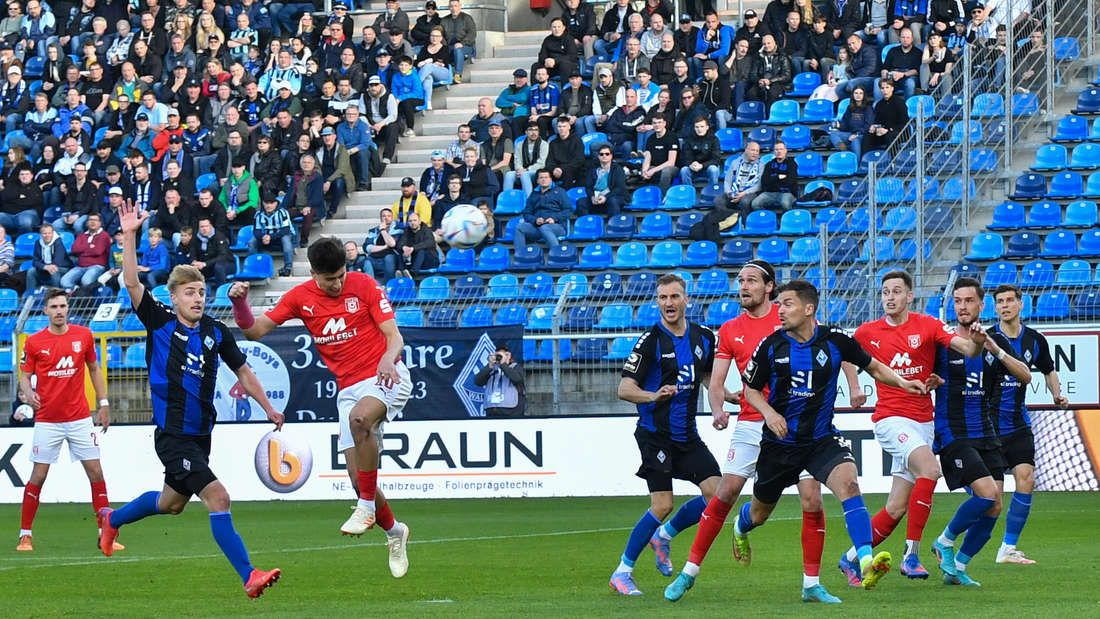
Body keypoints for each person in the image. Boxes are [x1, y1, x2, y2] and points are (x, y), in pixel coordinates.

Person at [97, 202, 283, 599]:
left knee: (171, 504)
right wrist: (129, 236)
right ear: (174, 297)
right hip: (173, 436)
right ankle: (249, 575)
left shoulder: (216, 331)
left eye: (201, 291)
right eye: (189, 293)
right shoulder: (160, 321)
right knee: (219, 497)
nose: (197, 298)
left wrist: (268, 407)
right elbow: (132, 284)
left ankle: (112, 519)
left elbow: (244, 372)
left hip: (200, 436)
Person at [665, 263, 861, 604]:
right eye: (740, 281)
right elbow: (717, 380)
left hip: (796, 428)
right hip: (753, 421)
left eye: (751, 281)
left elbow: (839, 348)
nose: (743, 286)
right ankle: (688, 572)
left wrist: (855, 385)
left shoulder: (790, 316)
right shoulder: (729, 329)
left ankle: (811, 584)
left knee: (812, 498)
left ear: (769, 287)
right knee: (724, 492)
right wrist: (717, 409)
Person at [228, 237, 412, 578]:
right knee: (359, 479)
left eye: (341, 275)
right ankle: (394, 531)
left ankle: (366, 508)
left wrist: (388, 358)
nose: (338, 283)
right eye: (330, 279)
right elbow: (255, 332)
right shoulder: (300, 298)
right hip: (348, 389)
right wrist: (240, 304)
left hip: (386, 376)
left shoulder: (364, 285)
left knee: (361, 421)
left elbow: (394, 335)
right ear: (313, 274)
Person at [732, 280, 930, 595]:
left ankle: (865, 562)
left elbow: (875, 367)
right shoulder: (772, 345)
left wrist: (905, 384)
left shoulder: (836, 340)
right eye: (779, 303)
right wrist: (770, 414)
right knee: (759, 512)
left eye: (786, 303)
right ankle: (741, 525)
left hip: (821, 439)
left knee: (849, 484)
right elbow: (751, 389)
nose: (780, 310)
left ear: (808, 309)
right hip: (779, 444)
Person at [836, 270, 984, 585]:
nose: (889, 297)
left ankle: (849, 559)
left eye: (896, 291)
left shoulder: (928, 325)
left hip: (923, 422)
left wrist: (978, 343)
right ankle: (911, 556)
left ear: (909, 295)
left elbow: (968, 349)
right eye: (885, 292)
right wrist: (854, 386)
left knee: (896, 506)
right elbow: (844, 354)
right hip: (891, 419)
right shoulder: (868, 331)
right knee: (930, 470)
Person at [609, 273, 718, 596]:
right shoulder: (651, 341)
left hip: (687, 435)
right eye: (662, 298)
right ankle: (622, 571)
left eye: (674, 297)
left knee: (718, 495)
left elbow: (709, 376)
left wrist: (725, 398)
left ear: (686, 300)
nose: (668, 303)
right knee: (662, 504)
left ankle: (664, 536)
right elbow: (624, 389)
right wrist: (654, 395)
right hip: (655, 434)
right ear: (657, 302)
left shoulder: (703, 338)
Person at [931, 277, 1032, 587]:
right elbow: (921, 373)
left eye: (968, 301)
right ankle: (945, 542)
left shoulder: (994, 340)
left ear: (980, 305)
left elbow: (1026, 376)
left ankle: (958, 567)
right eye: (957, 301)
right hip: (954, 433)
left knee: (995, 505)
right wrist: (929, 380)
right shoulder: (943, 342)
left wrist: (995, 349)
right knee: (987, 495)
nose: (962, 306)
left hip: (987, 433)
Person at [15, 289, 113, 553]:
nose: (59, 310)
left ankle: (105, 533)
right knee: (39, 474)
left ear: (68, 308)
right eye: (54, 306)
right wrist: (28, 391)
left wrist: (103, 404)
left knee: (96, 472)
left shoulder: (83, 335)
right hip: (47, 419)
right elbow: (24, 375)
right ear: (45, 311)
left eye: (62, 306)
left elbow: (94, 369)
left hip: (80, 418)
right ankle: (25, 535)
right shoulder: (35, 342)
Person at [990, 284, 1069, 564]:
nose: (1005, 306)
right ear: (995, 307)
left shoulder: (1035, 340)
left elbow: (1048, 370)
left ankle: (1008, 548)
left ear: (1021, 304)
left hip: (1018, 424)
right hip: (990, 427)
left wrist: (1056, 394)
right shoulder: (988, 340)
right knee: (992, 498)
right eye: (1000, 302)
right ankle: (951, 542)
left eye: (1010, 300)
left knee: (1027, 479)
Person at [514, 169, 571, 255]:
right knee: (519, 227)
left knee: (545, 228)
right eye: (541, 178)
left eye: (546, 177)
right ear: (537, 181)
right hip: (537, 227)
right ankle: (520, 256)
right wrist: (535, 220)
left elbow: (568, 210)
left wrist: (554, 219)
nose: (544, 179)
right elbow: (526, 213)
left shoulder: (560, 191)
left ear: (551, 179)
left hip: (557, 226)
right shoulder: (534, 194)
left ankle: (558, 255)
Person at [60, 213, 111, 290]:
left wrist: (83, 250)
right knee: (64, 281)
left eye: (95, 220)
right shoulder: (82, 235)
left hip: (97, 266)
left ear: (100, 223)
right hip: (80, 266)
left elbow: (97, 251)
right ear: (87, 223)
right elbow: (74, 249)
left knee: (86, 281)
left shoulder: (104, 235)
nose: (92, 222)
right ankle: (77, 291)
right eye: (90, 220)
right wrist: (90, 247)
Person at [474, 344, 526, 417]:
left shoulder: (516, 367)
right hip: (491, 410)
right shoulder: (491, 368)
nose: (500, 357)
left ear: (510, 356)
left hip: (512, 411)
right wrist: (490, 365)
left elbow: (517, 379)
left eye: (505, 354)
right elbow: (477, 382)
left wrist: (503, 364)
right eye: (498, 354)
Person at [251, 194, 295, 277]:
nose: (268, 205)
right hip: (265, 238)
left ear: (276, 203)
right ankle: (253, 266)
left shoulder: (283, 212)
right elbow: (256, 231)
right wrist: (263, 236)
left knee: (286, 239)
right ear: (263, 203)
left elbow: (286, 230)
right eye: (266, 203)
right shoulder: (258, 214)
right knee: (251, 242)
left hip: (279, 237)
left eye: (271, 203)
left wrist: (270, 237)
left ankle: (288, 267)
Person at [576, 145, 627, 217]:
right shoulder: (592, 169)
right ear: (598, 156)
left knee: (613, 201)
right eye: (601, 154)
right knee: (581, 202)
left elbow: (619, 188)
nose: (604, 156)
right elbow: (588, 187)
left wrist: (605, 197)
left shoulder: (617, 169)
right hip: (596, 198)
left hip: (613, 197)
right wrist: (592, 197)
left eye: (607, 154)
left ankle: (613, 226)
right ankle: (587, 225)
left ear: (611, 156)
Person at [863, 78, 908, 155]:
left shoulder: (900, 103)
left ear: (892, 88)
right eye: (882, 88)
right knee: (868, 135)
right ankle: (865, 160)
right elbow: (878, 121)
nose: (885, 90)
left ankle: (892, 163)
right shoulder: (879, 104)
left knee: (889, 136)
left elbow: (904, 123)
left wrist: (889, 130)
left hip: (899, 132)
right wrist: (875, 127)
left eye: (887, 87)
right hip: (883, 132)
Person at [751, 141, 798, 213]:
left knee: (785, 203)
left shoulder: (791, 164)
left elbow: (791, 181)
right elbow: (764, 182)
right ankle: (768, 219)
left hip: (787, 193)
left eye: (781, 149)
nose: (779, 151)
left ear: (785, 150)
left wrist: (772, 180)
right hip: (770, 193)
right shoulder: (769, 165)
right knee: (755, 203)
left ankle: (787, 222)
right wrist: (778, 177)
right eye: (776, 149)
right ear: (774, 151)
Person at [829, 85, 873, 159]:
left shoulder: (868, 108)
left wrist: (857, 134)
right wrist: (839, 125)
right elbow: (845, 124)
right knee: (833, 134)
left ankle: (856, 163)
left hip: (862, 135)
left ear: (864, 95)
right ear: (853, 95)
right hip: (850, 134)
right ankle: (845, 151)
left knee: (855, 140)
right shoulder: (849, 108)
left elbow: (868, 125)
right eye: (856, 93)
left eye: (860, 93)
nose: (858, 95)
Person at [27, 223, 73, 292]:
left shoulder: (58, 242)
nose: (47, 235)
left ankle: (55, 294)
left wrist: (48, 267)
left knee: (53, 270)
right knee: (31, 271)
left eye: (49, 233)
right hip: (46, 268)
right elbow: (35, 261)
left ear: (53, 233)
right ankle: (29, 295)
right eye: (44, 233)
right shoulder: (38, 243)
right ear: (41, 234)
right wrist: (45, 267)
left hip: (63, 268)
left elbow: (58, 261)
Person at [679, 116, 721, 187]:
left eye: (702, 126)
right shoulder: (689, 139)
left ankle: (712, 193)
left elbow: (716, 159)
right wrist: (691, 164)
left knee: (714, 169)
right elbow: (684, 157)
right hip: (693, 168)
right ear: (694, 128)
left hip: (707, 167)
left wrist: (702, 165)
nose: (699, 129)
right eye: (697, 127)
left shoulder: (714, 139)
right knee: (684, 170)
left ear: (707, 127)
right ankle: (689, 193)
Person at [639, 116, 678, 192]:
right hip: (655, 167)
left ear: (664, 124)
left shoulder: (672, 137)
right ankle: (647, 196)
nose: (657, 125)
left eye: (659, 122)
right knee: (644, 171)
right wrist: (645, 170)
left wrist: (653, 170)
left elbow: (671, 162)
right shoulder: (650, 138)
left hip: (672, 168)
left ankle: (663, 196)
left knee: (666, 171)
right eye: (654, 123)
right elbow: (648, 157)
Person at [440, 0, 476, 81]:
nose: (453, 8)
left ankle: (457, 75)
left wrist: (462, 43)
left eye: (455, 6)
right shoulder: (444, 20)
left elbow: (472, 33)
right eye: (451, 6)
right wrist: (444, 45)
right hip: (449, 46)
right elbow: (440, 34)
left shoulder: (467, 18)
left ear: (460, 6)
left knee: (457, 49)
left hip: (466, 46)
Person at [510, 122, 548, 197]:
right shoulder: (519, 144)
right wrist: (519, 169)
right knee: (509, 175)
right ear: (526, 132)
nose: (534, 132)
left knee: (524, 174)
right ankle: (507, 200)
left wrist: (526, 169)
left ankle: (528, 200)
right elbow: (517, 161)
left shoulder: (544, 144)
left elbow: (541, 163)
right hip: (522, 171)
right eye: (530, 130)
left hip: (537, 172)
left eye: (536, 130)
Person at [366, 208, 401, 282]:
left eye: (389, 216)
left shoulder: (398, 229)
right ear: (380, 218)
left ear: (392, 218)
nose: (386, 218)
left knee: (389, 258)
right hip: (375, 258)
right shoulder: (374, 230)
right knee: (365, 260)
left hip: (392, 257)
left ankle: (389, 284)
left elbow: (392, 244)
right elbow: (367, 247)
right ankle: (370, 284)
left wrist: (383, 230)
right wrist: (385, 246)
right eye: (383, 216)